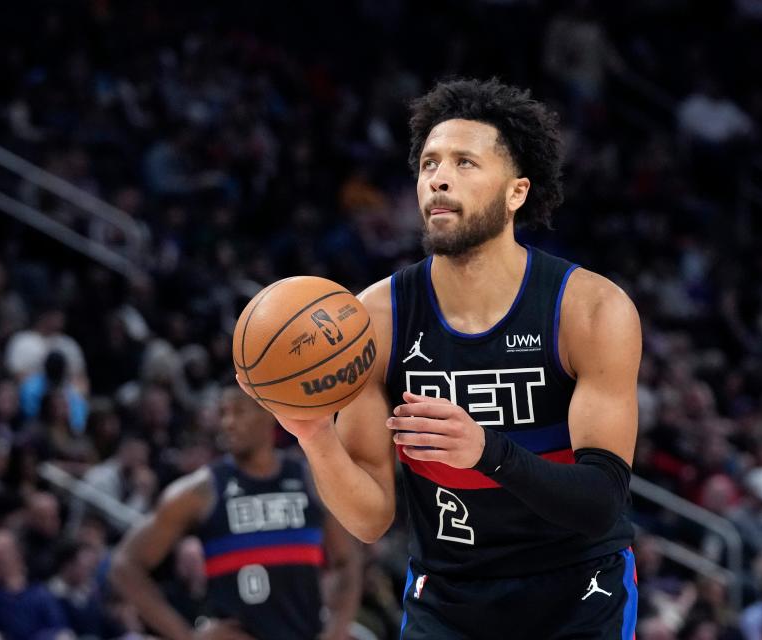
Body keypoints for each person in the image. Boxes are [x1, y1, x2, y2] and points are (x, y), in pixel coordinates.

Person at [238, 78, 642, 638]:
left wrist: (488, 452)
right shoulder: (372, 318)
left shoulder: (591, 309)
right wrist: (313, 436)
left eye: (465, 162)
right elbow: (371, 518)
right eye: (429, 163)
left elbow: (602, 503)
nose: (439, 178)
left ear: (516, 192)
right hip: (449, 597)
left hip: (577, 592)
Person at [110, 387, 363, 640]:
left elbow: (347, 560)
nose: (228, 423)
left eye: (239, 412)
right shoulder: (200, 490)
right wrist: (187, 636)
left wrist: (336, 629)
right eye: (223, 413)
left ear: (269, 413)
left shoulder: (310, 479)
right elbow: (125, 565)